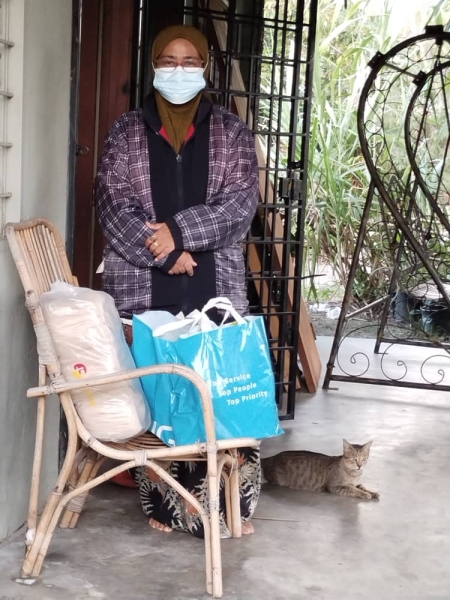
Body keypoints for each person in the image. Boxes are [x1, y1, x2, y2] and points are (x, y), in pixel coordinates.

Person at [96, 24, 260, 538]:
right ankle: (166, 506)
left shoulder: (231, 132)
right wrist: (166, 253)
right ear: (153, 66)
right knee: (159, 395)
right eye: (168, 60)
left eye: (190, 61)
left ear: (205, 68)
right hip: (143, 285)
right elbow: (112, 204)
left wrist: (179, 232)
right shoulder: (126, 131)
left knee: (222, 393)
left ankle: (231, 505)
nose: (179, 70)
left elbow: (240, 204)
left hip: (215, 285)